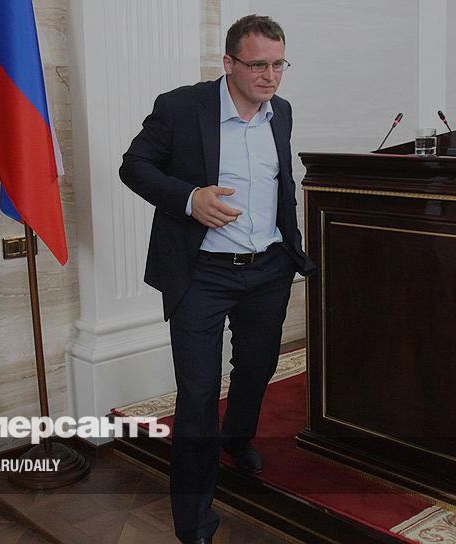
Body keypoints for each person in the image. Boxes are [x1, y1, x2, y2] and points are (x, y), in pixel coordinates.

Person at [119, 14, 317, 544]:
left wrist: (291, 249)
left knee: (257, 367)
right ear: (228, 63)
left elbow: (280, 184)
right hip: (202, 273)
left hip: (267, 268)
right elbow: (133, 166)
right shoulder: (181, 107)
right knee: (198, 394)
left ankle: (237, 438)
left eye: (278, 65)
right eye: (257, 65)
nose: (270, 76)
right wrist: (189, 199)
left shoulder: (281, 112)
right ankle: (194, 524)